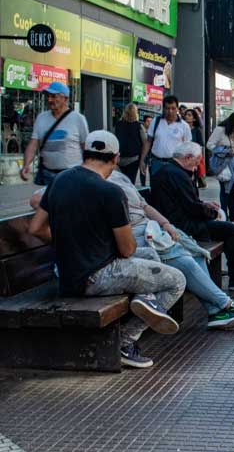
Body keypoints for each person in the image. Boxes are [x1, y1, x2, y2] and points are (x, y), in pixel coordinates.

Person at [28, 131, 186, 369]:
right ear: (115, 158)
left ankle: (147, 300)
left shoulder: (59, 181)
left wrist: (68, 240)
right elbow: (127, 249)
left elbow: (36, 228)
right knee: (176, 280)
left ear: (85, 153)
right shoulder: (111, 193)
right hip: (95, 277)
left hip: (67, 274)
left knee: (151, 255)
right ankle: (126, 340)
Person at [107, 169, 234, 329]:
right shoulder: (103, 187)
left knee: (197, 254)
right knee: (185, 261)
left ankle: (215, 312)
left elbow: (145, 206)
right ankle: (226, 304)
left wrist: (166, 224)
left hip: (153, 230)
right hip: (140, 240)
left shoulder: (119, 176)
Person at [150, 142, 234, 290]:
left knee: (225, 228)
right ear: (187, 157)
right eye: (197, 160)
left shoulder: (170, 170)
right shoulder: (177, 174)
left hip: (177, 220)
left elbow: (187, 201)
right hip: (181, 226)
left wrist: (204, 204)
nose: (198, 165)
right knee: (230, 230)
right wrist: (213, 214)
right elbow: (192, 207)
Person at [20, 82, 89, 186]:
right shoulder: (41, 118)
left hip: (71, 175)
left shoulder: (78, 119)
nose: (49, 100)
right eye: (48, 96)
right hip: (47, 175)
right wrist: (26, 165)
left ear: (65, 99)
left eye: (53, 96)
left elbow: (86, 147)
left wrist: (88, 171)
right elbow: (33, 145)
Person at [207, 110, 234, 221]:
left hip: (232, 164)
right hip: (222, 164)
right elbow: (209, 144)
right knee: (225, 189)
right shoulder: (220, 130)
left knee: (231, 189)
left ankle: (232, 214)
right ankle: (225, 214)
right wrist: (223, 150)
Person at [140, 95, 192, 178]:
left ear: (177, 109)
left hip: (175, 164)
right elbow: (148, 141)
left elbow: (188, 147)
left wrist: (189, 166)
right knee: (157, 189)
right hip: (157, 163)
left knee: (173, 189)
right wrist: (142, 160)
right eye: (167, 108)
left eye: (173, 108)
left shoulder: (184, 126)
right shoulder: (156, 121)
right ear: (163, 109)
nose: (170, 111)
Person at [114, 103, 147, 185]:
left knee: (120, 182)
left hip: (120, 158)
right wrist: (142, 159)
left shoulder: (118, 125)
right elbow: (145, 142)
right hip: (133, 158)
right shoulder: (139, 126)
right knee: (130, 182)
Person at [184, 108, 206, 188]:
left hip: (193, 159)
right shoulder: (181, 128)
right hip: (182, 159)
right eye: (186, 115)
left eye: (189, 115)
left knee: (192, 182)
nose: (187, 117)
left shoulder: (196, 130)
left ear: (194, 118)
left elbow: (200, 146)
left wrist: (197, 159)